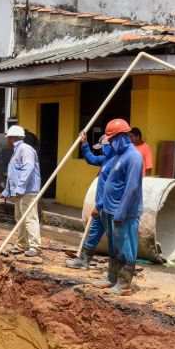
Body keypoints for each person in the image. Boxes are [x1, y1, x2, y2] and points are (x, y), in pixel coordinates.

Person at [95, 118, 144, 294]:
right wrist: (101, 205)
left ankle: (124, 285)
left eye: (112, 139)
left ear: (122, 137)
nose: (111, 143)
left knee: (125, 247)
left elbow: (132, 188)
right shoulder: (118, 155)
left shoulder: (133, 157)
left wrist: (120, 213)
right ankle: (112, 278)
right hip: (109, 209)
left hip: (123, 213)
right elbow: (108, 181)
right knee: (114, 247)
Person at [66, 132, 116, 269]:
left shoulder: (115, 163)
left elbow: (111, 189)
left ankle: (114, 270)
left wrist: (99, 206)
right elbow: (91, 159)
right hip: (100, 207)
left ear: (110, 146)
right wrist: (84, 143)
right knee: (93, 234)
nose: (101, 150)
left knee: (114, 239)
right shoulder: (105, 160)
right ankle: (83, 261)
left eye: (103, 147)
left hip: (109, 207)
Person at [0, 125, 42, 258]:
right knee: (20, 218)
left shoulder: (26, 150)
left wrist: (20, 187)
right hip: (19, 191)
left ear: (12, 138)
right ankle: (22, 244)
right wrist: (7, 190)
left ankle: (35, 246)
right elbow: (13, 173)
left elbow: (28, 169)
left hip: (28, 191)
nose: (7, 141)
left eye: (8, 138)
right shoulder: (17, 151)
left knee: (29, 218)